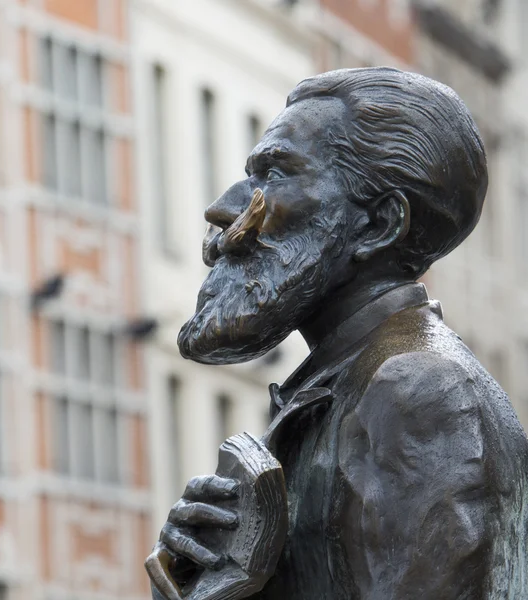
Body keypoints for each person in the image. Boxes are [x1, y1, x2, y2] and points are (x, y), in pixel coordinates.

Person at [147, 68, 528, 599]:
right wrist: (209, 578)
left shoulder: (417, 389)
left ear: (379, 225)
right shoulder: (348, 382)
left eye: (275, 175)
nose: (226, 209)